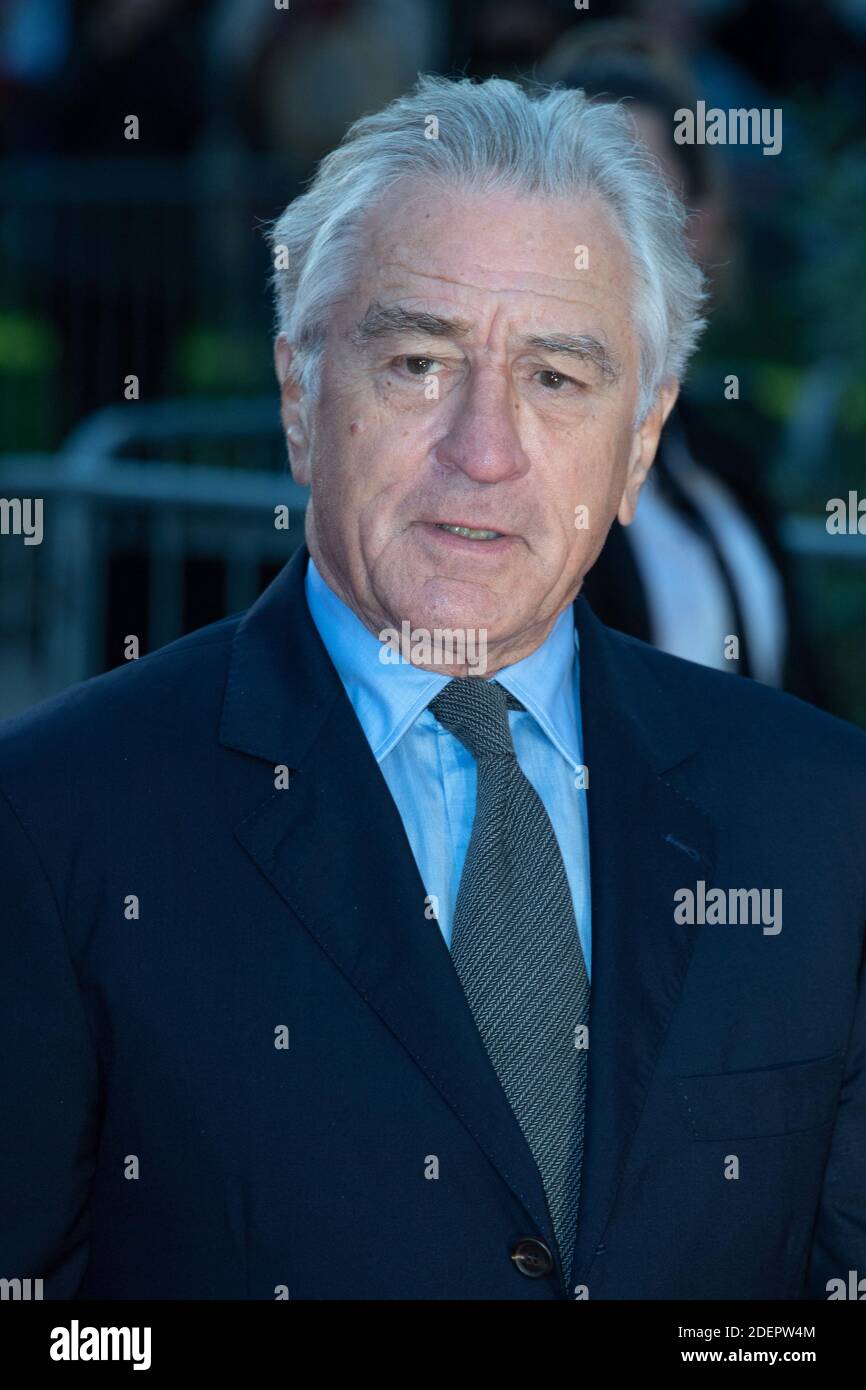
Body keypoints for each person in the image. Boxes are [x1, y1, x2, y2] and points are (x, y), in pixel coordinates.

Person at [1, 74, 864, 1301]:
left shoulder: (822, 818)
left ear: (640, 442)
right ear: (301, 397)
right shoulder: (54, 822)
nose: (484, 449)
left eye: (557, 380)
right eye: (416, 361)